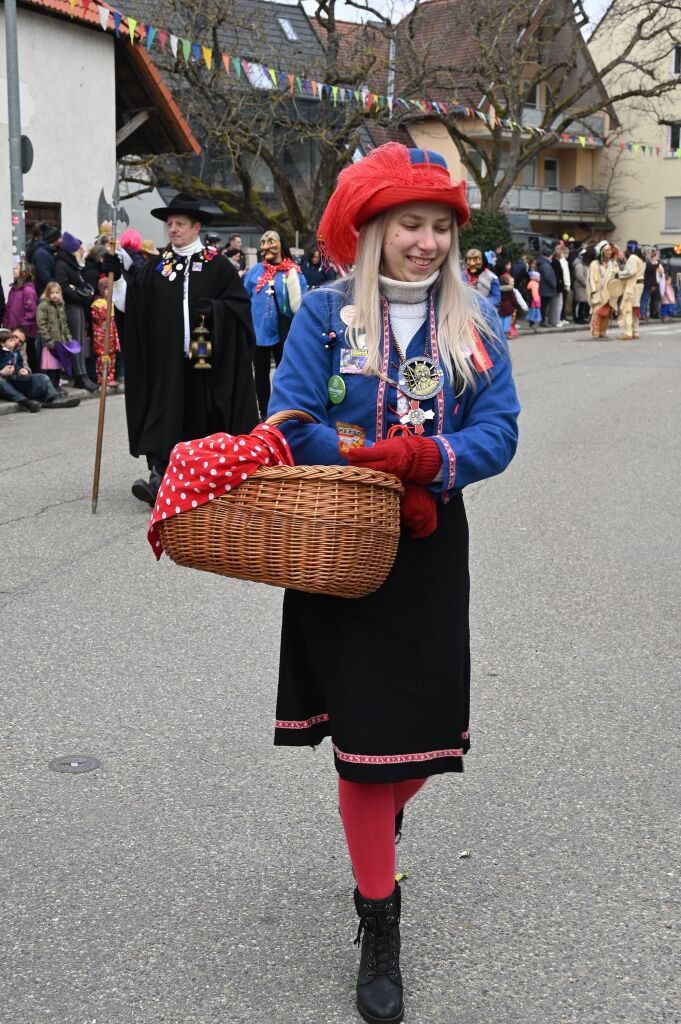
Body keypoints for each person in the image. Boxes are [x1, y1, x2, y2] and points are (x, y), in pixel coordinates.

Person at [267, 143, 520, 1024]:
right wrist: (357, 455)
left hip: (427, 547)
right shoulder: (327, 314)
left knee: (411, 736)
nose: (427, 243)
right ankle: (379, 916)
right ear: (372, 228)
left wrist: (431, 461)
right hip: (338, 540)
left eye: (442, 227)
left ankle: (378, 822)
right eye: (410, 225)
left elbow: (499, 431)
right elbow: (290, 414)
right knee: (367, 751)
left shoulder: (476, 322)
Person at [105, 191, 259, 507]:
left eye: (180, 224)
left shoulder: (219, 267)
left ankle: (209, 475)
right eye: (170, 224)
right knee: (163, 412)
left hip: (205, 357)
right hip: (166, 360)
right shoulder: (156, 268)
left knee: (203, 413)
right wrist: (119, 279)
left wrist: (216, 311)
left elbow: (240, 309)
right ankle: (158, 476)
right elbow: (129, 306)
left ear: (196, 227)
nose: (173, 229)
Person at [244, 229, 307, 417]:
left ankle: (281, 410)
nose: (266, 246)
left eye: (270, 241)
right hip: (259, 332)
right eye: (263, 242)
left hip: (284, 333)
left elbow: (301, 304)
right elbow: (243, 296)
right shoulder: (255, 271)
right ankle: (263, 411)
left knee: (285, 373)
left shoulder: (293, 272)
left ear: (280, 244)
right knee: (261, 374)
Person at [54, 232, 97, 391]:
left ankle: (82, 374)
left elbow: (80, 285)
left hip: (77, 305)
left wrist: (80, 290)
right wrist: (80, 294)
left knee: (80, 341)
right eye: (78, 249)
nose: (81, 251)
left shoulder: (70, 264)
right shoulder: (62, 264)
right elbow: (64, 287)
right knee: (75, 342)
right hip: (71, 306)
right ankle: (79, 375)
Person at [0, 326, 79, 411]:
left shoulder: (19, 348)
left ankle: (54, 399)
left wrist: (25, 370)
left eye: (20, 341)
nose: (16, 342)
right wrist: (1, 372)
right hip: (4, 383)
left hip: (17, 380)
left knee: (42, 377)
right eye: (14, 337)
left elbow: (24, 363)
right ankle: (26, 402)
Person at [36, 282, 83, 389]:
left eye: (57, 292)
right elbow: (41, 324)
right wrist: (48, 341)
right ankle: (51, 388)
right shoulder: (43, 306)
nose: (54, 295)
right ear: (47, 293)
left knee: (58, 367)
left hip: (61, 344)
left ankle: (56, 386)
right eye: (52, 293)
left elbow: (64, 324)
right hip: (51, 343)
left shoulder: (61, 304)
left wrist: (69, 338)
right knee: (51, 368)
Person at [2, 263, 38, 371]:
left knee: (29, 356)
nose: (14, 270)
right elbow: (8, 309)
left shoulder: (28, 291)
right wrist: (6, 325)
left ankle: (35, 377)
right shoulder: (13, 290)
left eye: (17, 268)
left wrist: (22, 329)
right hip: (13, 331)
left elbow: (31, 312)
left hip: (26, 333)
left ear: (24, 273)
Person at [90, 278, 120, 386]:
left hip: (112, 337)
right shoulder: (98, 304)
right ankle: (103, 379)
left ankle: (110, 378)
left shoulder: (113, 303)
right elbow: (100, 318)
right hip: (102, 339)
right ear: (102, 291)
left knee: (112, 358)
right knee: (103, 359)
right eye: (108, 289)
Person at [613, 241, 645, 340]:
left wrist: (619, 274)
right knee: (634, 309)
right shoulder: (641, 258)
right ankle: (635, 331)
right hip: (639, 285)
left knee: (627, 309)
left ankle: (628, 332)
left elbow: (630, 272)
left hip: (632, 285)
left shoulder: (632, 258)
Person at [585, 241, 616, 338]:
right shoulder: (594, 264)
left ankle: (603, 331)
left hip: (609, 292)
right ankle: (595, 331)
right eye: (606, 250)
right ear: (601, 252)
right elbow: (591, 279)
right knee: (597, 312)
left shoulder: (613, 264)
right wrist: (594, 292)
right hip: (598, 292)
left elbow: (617, 278)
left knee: (606, 313)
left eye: (610, 250)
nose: (609, 252)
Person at [30, 225, 61, 297]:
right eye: (60, 238)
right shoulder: (41, 254)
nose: (61, 240)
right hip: (45, 295)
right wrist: (56, 288)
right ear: (54, 239)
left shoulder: (50, 252)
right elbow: (44, 276)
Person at [571, 248, 589, 324]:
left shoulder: (583, 263)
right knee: (579, 302)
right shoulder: (578, 264)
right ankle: (577, 318)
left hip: (583, 286)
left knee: (582, 302)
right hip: (579, 286)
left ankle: (581, 317)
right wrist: (587, 284)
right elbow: (580, 277)